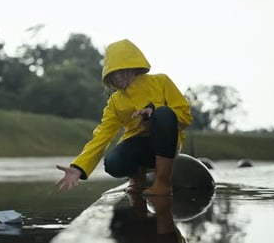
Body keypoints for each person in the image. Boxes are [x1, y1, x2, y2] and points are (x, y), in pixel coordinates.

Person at [55, 39, 192, 196]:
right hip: (138, 146)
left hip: (166, 143)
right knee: (113, 162)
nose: (116, 79)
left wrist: (153, 112)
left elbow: (185, 116)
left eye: (120, 72)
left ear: (132, 67)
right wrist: (78, 167)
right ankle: (138, 178)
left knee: (164, 114)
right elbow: (101, 136)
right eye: (112, 74)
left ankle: (162, 183)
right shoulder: (115, 101)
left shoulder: (161, 82)